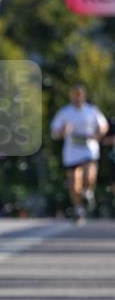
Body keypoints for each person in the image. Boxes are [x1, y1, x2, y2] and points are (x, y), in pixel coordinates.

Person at [50, 84, 108, 223]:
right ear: (71, 96)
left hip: (89, 149)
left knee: (89, 176)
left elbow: (104, 126)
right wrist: (63, 131)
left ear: (84, 95)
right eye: (74, 94)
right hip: (72, 152)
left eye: (79, 94)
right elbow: (55, 132)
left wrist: (98, 133)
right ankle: (78, 209)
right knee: (74, 183)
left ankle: (88, 192)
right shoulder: (65, 112)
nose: (77, 97)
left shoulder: (92, 110)